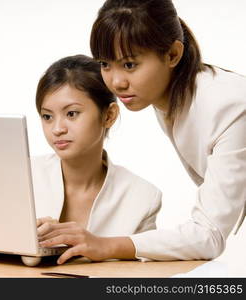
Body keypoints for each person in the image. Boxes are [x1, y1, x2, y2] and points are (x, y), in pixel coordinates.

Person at [40, 0, 246, 263]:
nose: (116, 82)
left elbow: (208, 236)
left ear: (172, 54)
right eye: (105, 64)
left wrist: (105, 245)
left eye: (129, 65)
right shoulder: (168, 94)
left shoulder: (228, 106)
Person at [32, 54, 162, 264]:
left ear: (109, 115)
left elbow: (142, 278)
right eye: (47, 116)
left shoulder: (142, 197)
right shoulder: (22, 175)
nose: (57, 129)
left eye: (72, 113)